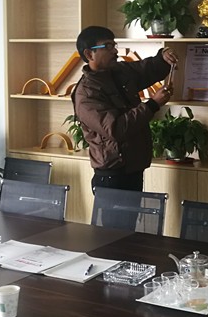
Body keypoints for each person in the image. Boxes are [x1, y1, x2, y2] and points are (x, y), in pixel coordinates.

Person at [71, 26, 177, 194]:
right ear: (89, 54)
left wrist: (163, 56)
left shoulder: (120, 71)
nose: (115, 51)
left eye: (114, 45)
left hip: (133, 168)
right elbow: (115, 129)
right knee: (118, 213)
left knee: (132, 212)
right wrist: (152, 104)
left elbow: (148, 69)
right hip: (112, 174)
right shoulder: (87, 93)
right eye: (108, 46)